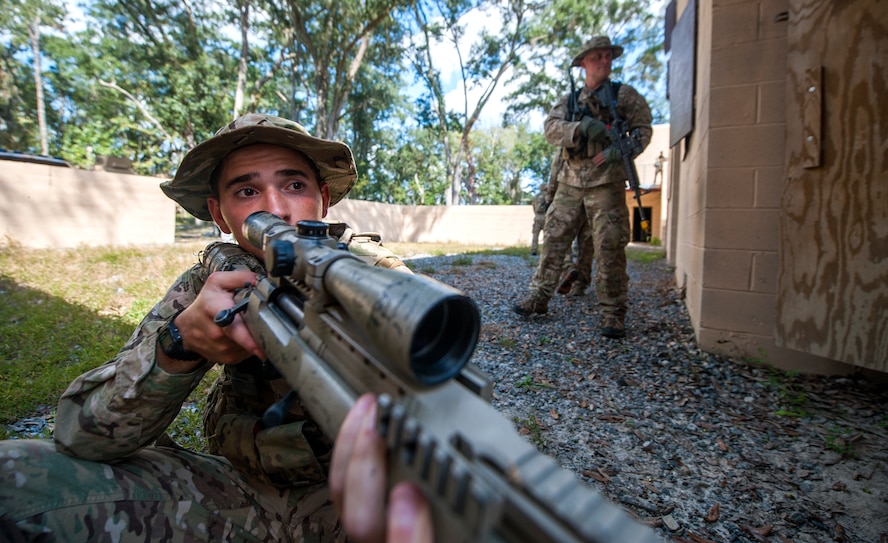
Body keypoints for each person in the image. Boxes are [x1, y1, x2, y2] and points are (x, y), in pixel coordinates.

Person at [0, 114, 432, 542]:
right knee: (13, 478)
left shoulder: (370, 274)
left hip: (372, 505)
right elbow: (83, 436)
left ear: (323, 198)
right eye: (247, 190)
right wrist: (180, 345)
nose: (276, 208)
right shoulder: (212, 281)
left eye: (294, 185)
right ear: (219, 213)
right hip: (245, 500)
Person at [512, 36, 652, 339]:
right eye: (596, 57)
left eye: (607, 56)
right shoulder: (570, 101)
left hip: (606, 181)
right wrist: (579, 128)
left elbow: (643, 129)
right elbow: (551, 129)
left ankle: (613, 312)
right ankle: (539, 297)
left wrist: (621, 150)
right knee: (554, 239)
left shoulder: (624, 96)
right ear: (583, 63)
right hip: (569, 181)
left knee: (609, 245)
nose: (603, 61)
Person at [530, 181, 549, 256]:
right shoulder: (547, 196)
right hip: (545, 216)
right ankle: (545, 251)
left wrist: (536, 214)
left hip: (537, 216)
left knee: (535, 234)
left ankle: (534, 249)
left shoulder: (536, 196)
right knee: (546, 234)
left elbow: (533, 206)